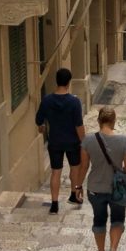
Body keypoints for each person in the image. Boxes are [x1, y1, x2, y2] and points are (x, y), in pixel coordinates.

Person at [81, 107, 126, 251]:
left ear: (98, 121)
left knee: (99, 219)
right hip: (117, 189)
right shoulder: (123, 140)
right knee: (117, 219)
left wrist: (77, 186)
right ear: (114, 121)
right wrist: (120, 169)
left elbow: (84, 166)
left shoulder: (88, 140)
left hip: (95, 188)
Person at [35, 68, 85, 214]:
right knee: (75, 168)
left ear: (56, 81)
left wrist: (42, 127)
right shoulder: (74, 102)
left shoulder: (47, 100)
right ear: (69, 82)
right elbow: (79, 125)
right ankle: (74, 195)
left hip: (55, 141)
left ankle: (54, 204)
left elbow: (39, 120)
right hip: (72, 142)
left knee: (55, 172)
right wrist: (84, 141)